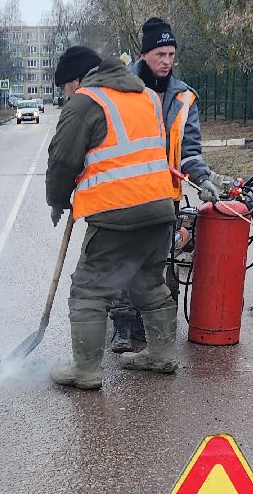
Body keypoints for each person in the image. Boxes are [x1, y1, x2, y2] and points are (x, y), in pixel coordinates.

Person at [46, 45, 181, 389]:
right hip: (160, 208)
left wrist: (57, 200)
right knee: (148, 282)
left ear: (76, 80)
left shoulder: (85, 101)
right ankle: (161, 354)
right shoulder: (146, 95)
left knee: (89, 289)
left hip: (116, 213)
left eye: (64, 87)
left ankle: (86, 370)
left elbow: (62, 162)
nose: (66, 95)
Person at [108, 17, 219, 355]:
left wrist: (202, 178)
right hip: (126, 192)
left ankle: (147, 325)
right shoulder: (122, 89)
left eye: (171, 54)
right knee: (124, 261)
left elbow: (188, 150)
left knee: (155, 264)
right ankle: (124, 327)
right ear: (145, 54)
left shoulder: (184, 98)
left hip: (164, 195)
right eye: (160, 53)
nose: (167, 61)